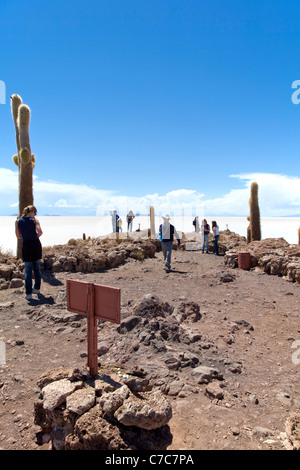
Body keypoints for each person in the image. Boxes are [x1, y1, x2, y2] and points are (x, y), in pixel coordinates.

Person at [15, 205, 43, 301]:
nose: (35, 214)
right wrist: (34, 236)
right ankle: (37, 289)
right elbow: (40, 232)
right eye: (35, 212)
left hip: (26, 245)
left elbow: (18, 236)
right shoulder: (35, 221)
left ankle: (29, 294)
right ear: (32, 212)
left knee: (28, 271)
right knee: (36, 269)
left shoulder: (18, 221)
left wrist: (26, 237)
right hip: (36, 245)